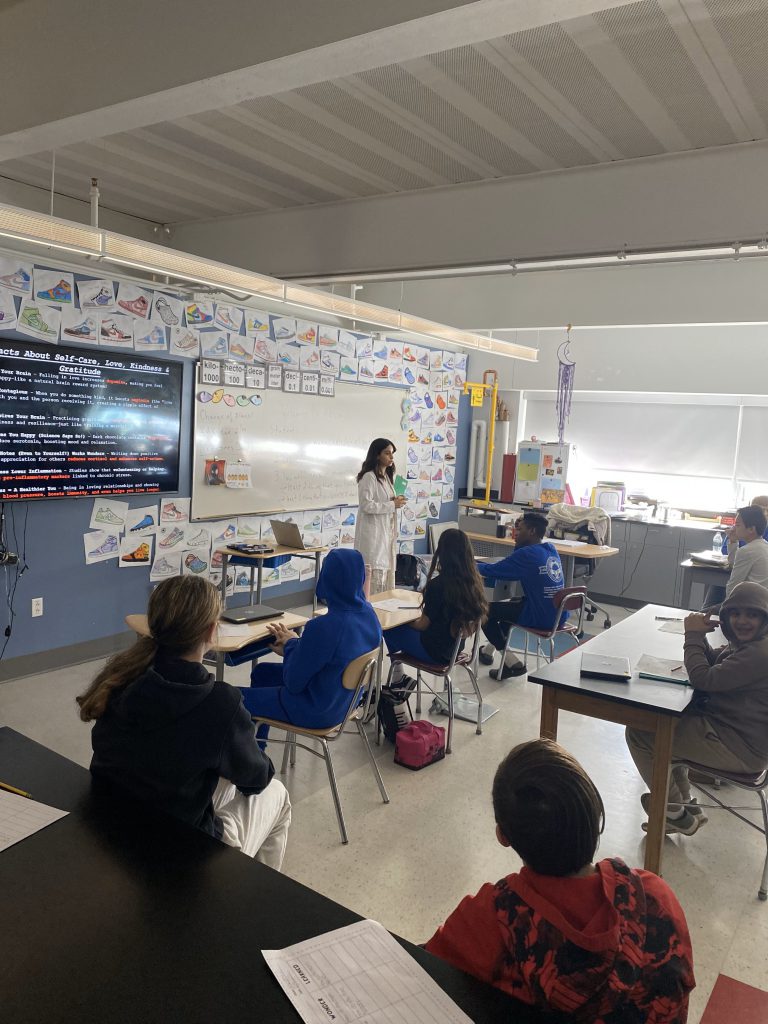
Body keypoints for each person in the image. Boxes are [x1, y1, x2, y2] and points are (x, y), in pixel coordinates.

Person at [426, 739, 694, 1022]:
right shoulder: (655, 896)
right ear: (596, 814)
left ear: (502, 836)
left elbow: (421, 975)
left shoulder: (491, 918)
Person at [76, 575, 291, 869]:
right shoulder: (220, 704)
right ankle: (253, 895)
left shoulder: (120, 679)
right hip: (180, 856)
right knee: (277, 793)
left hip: (112, 831)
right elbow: (256, 780)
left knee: (215, 776)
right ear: (212, 630)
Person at [627, 580, 768, 835]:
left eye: (752, 614)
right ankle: (684, 806)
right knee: (671, 725)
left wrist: (691, 635)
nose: (742, 620)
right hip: (736, 736)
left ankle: (672, 812)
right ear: (725, 617)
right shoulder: (753, 646)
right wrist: (700, 635)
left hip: (738, 748)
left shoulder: (761, 653)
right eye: (735, 613)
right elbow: (716, 663)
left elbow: (704, 678)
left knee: (641, 733)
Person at [242, 548, 382, 732]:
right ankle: (257, 749)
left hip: (317, 710)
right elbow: (333, 653)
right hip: (345, 702)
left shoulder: (323, 626)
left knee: (231, 698)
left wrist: (292, 645)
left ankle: (249, 757)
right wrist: (297, 646)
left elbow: (293, 682)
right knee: (262, 673)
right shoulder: (370, 615)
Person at [382, 528, 487, 682]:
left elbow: (422, 626)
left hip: (434, 652)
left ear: (442, 553)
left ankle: (398, 679)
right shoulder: (474, 583)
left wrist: (405, 619)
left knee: (389, 630)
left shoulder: (438, 585)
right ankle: (398, 678)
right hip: (455, 649)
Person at [476, 511, 567, 679]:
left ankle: (512, 664)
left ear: (531, 531)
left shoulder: (527, 554)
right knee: (512, 603)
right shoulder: (550, 549)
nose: (515, 534)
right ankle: (488, 650)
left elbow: (493, 571)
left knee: (484, 611)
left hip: (541, 616)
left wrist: (466, 565)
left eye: (520, 529)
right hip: (559, 613)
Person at [354, 437, 406, 594]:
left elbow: (384, 501)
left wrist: (395, 501)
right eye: (387, 453)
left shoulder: (387, 478)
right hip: (373, 537)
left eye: (392, 454)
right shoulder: (368, 477)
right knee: (374, 579)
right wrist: (392, 504)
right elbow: (366, 505)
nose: (391, 457)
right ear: (377, 455)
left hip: (386, 534)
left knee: (385, 579)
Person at [723, 504, 768, 598]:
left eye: (737, 525)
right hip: (762, 603)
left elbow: (732, 589)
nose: (734, 528)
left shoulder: (747, 551)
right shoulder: (764, 545)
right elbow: (734, 563)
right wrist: (733, 541)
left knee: (706, 609)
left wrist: (725, 609)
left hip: (748, 605)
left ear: (751, 529)